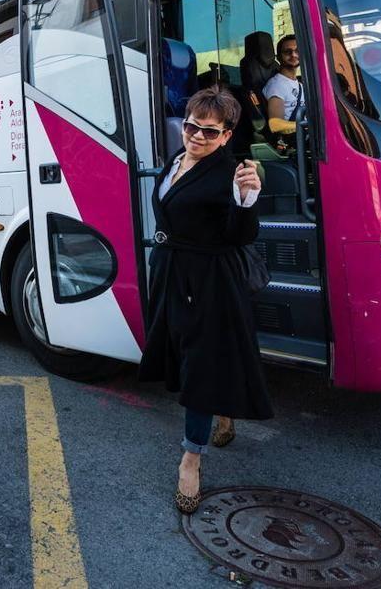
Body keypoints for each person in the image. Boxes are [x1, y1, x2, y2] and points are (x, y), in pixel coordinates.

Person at [138, 86, 272, 515]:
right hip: (173, 273)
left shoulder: (229, 173)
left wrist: (248, 200)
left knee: (200, 366)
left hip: (211, 280)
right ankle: (224, 412)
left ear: (227, 135)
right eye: (192, 126)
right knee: (189, 356)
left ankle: (190, 461)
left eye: (209, 132)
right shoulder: (173, 164)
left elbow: (240, 234)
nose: (197, 136)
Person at [262, 35, 304, 136]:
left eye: (297, 51)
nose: (293, 55)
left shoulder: (299, 84)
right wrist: (307, 124)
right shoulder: (277, 85)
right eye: (287, 52)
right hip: (295, 143)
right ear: (279, 57)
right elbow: (275, 125)